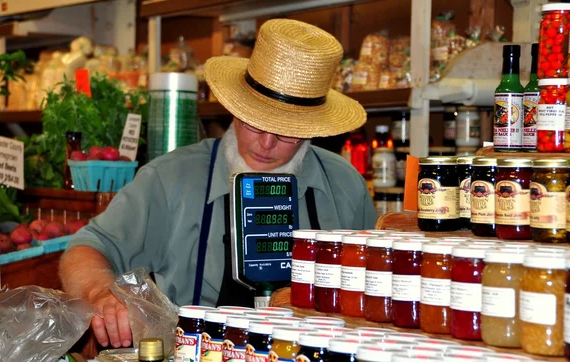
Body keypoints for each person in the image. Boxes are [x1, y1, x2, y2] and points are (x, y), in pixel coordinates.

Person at [59, 19, 377, 349]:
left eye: (286, 129)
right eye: (254, 121)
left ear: (312, 126)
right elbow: (87, 248)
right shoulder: (172, 178)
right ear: (235, 108)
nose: (266, 142)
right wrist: (100, 293)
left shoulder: (345, 187)